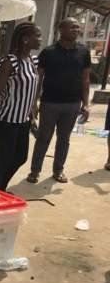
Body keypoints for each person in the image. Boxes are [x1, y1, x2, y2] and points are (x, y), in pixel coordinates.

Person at [27, 17, 91, 184]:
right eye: (73, 27)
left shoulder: (84, 52)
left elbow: (85, 79)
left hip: (72, 104)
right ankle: (35, 171)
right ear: (61, 29)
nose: (76, 30)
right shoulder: (48, 52)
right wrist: (34, 103)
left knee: (64, 139)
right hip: (49, 103)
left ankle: (58, 170)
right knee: (43, 138)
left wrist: (86, 104)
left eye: (78, 27)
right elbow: (38, 80)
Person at [0, 23, 42, 191]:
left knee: (20, 157)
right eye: (37, 36)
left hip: (23, 120)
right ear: (25, 39)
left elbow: (32, 89)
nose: (40, 40)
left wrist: (33, 112)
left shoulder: (33, 61)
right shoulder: (10, 62)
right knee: (4, 160)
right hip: (7, 121)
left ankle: (0, 188)